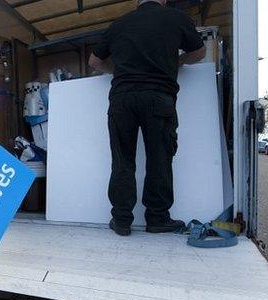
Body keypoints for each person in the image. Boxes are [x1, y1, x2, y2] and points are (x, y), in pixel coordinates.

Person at [88, 0, 206, 236]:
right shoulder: (175, 17)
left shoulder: (119, 24)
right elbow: (199, 52)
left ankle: (121, 220)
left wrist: (119, 70)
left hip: (122, 98)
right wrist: (177, 61)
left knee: (122, 160)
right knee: (159, 159)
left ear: (137, 1)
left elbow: (95, 61)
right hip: (158, 97)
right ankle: (157, 219)